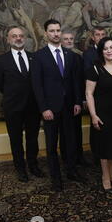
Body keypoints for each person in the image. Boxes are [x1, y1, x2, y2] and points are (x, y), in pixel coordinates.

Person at [31, 19, 85, 192]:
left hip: (69, 107)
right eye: (52, 31)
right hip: (50, 110)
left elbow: (75, 82)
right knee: (52, 146)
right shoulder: (39, 56)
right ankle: (56, 178)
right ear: (46, 33)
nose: (56, 34)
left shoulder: (71, 56)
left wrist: (77, 102)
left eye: (58, 30)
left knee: (69, 142)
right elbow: (37, 85)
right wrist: (44, 108)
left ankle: (71, 171)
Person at [0, 26, 44, 182]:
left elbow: (38, 82)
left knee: (32, 138)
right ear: (8, 39)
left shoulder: (34, 57)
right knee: (15, 139)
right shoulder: (0, 60)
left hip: (32, 107)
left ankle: (33, 165)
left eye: (21, 35)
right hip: (12, 106)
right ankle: (20, 168)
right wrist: (14, 94)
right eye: (14, 36)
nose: (18, 38)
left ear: (25, 38)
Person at [85, 37, 112, 192]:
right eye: (106, 48)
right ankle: (105, 176)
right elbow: (89, 94)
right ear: (101, 51)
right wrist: (93, 115)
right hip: (102, 113)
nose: (109, 51)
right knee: (104, 147)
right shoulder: (95, 68)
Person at [60, 31, 90, 168]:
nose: (69, 41)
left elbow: (80, 80)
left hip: (75, 101)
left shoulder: (77, 57)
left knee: (77, 130)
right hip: (59, 102)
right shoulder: (55, 57)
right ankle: (66, 157)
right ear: (61, 41)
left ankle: (79, 156)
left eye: (71, 38)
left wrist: (81, 99)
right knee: (64, 132)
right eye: (66, 39)